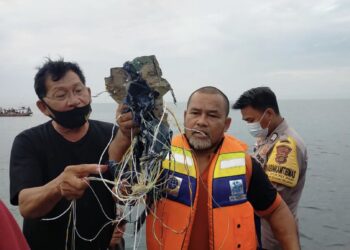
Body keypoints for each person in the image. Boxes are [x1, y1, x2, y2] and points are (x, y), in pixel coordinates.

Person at [110, 86, 300, 250]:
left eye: (212, 115)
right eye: (195, 113)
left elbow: (276, 211)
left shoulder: (245, 165)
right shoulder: (159, 158)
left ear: (226, 124)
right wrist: (125, 136)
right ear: (185, 117)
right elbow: (120, 188)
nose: (201, 121)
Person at [9, 58, 131, 250]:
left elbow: (125, 189)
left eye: (78, 90)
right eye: (61, 95)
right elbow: (26, 206)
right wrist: (58, 186)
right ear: (43, 107)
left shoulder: (114, 134)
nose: (74, 101)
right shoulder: (28, 142)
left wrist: (127, 193)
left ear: (89, 93)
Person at [232, 86, 308, 250]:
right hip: (258, 231)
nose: (249, 125)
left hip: (273, 238)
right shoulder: (266, 137)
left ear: (269, 114)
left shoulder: (286, 147)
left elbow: (271, 197)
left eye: (251, 120)